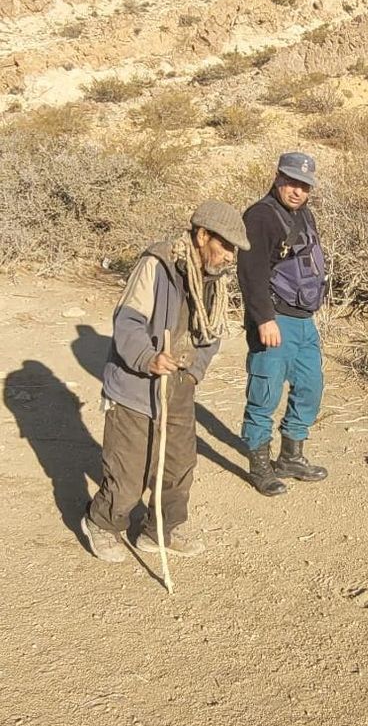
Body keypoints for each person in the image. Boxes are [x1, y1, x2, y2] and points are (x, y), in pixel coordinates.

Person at [81, 200, 250, 562]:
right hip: (135, 388)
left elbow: (210, 333)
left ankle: (160, 530)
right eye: (226, 246)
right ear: (203, 235)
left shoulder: (212, 280)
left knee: (177, 468)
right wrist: (148, 358)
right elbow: (127, 323)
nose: (230, 258)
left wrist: (192, 372)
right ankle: (101, 523)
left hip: (179, 387)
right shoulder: (156, 265)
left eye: (235, 250)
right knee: (128, 478)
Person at [238, 152, 328, 496]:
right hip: (275, 320)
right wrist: (264, 319)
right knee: (265, 392)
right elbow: (251, 273)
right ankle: (259, 464)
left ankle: (291, 456)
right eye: (291, 182)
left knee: (310, 386)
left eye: (304, 185)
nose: (297, 190)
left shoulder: (303, 214)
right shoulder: (260, 216)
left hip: (304, 321)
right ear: (277, 177)